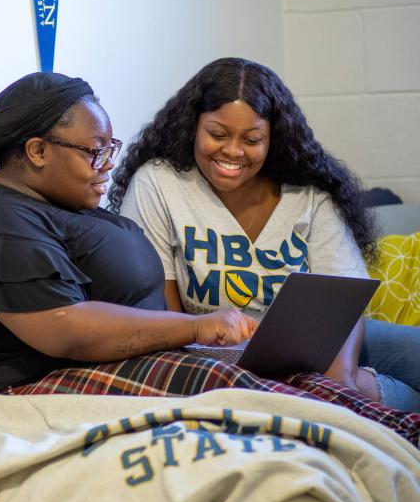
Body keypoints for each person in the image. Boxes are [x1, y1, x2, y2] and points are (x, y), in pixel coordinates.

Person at [0, 71, 419, 445]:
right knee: (255, 391)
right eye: (95, 152)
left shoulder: (44, 205)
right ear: (37, 150)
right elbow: (66, 328)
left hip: (134, 359)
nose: (106, 168)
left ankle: (389, 429)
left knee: (269, 380)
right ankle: (391, 434)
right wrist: (194, 329)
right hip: (43, 384)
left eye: (110, 150)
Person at [109, 57, 420, 412]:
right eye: (217, 134)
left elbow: (342, 302)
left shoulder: (309, 191)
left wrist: (341, 385)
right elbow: (163, 314)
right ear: (192, 126)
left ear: (274, 138)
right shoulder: (159, 183)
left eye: (252, 139)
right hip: (219, 359)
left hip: (320, 346)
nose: (233, 151)